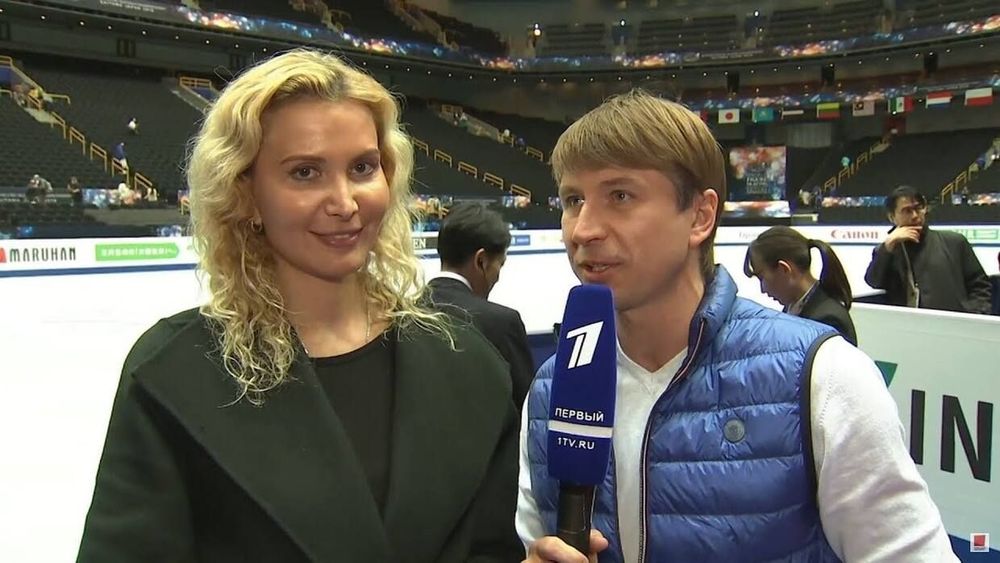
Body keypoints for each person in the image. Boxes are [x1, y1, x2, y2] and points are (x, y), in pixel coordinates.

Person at [77, 49, 521, 563]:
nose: (345, 202)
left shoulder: (469, 364)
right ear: (245, 192)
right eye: (305, 172)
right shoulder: (173, 373)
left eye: (363, 167)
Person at [517, 90, 957, 563]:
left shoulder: (823, 376)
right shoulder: (550, 390)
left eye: (619, 196)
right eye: (573, 200)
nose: (582, 230)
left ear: (700, 216)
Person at [429, 202, 534, 413]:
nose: (498, 276)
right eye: (499, 265)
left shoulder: (402, 312)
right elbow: (526, 409)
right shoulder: (501, 324)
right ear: (481, 261)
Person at [864, 185, 991, 314]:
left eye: (918, 208)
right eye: (907, 211)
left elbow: (980, 285)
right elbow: (874, 282)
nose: (915, 216)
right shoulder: (887, 251)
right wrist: (887, 246)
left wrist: (974, 315)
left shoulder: (954, 242)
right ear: (892, 217)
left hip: (951, 323)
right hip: (908, 324)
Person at [744, 225, 857, 345]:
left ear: (784, 269)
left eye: (761, 278)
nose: (763, 289)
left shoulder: (827, 321)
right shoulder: (794, 307)